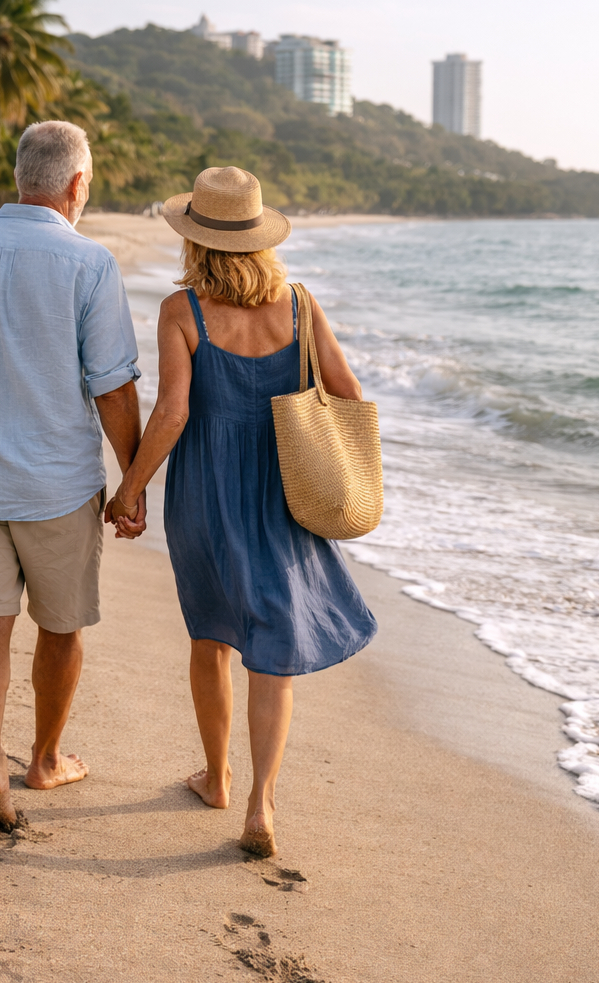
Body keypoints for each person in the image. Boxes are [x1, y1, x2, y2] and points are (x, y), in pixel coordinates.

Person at [107, 166, 377, 857]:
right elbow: (345, 391)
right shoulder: (300, 305)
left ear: (196, 240)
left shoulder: (183, 311)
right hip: (286, 491)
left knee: (211, 637)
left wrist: (131, 488)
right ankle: (261, 804)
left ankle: (218, 775)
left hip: (206, 494)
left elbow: (171, 414)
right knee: (272, 651)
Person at [0, 120, 145, 830]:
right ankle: (42, 759)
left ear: (20, 178)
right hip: (58, 485)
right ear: (76, 185)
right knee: (61, 626)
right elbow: (113, 388)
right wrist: (131, 481)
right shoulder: (90, 263)